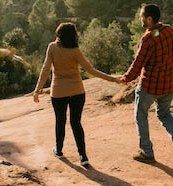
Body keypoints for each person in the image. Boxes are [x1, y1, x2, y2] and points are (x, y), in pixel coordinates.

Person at [33, 22, 122, 166]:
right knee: (76, 123)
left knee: (60, 122)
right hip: (77, 92)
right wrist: (114, 80)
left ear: (59, 34)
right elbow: (91, 70)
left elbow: (45, 69)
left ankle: (59, 151)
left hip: (58, 92)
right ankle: (83, 156)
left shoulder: (52, 47)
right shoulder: (75, 50)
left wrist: (37, 91)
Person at [120, 4, 173, 166]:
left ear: (149, 19)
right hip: (168, 85)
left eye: (141, 17)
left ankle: (147, 152)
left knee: (141, 115)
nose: (140, 20)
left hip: (149, 87)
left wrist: (126, 78)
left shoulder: (148, 39)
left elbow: (138, 64)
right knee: (165, 114)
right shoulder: (171, 31)